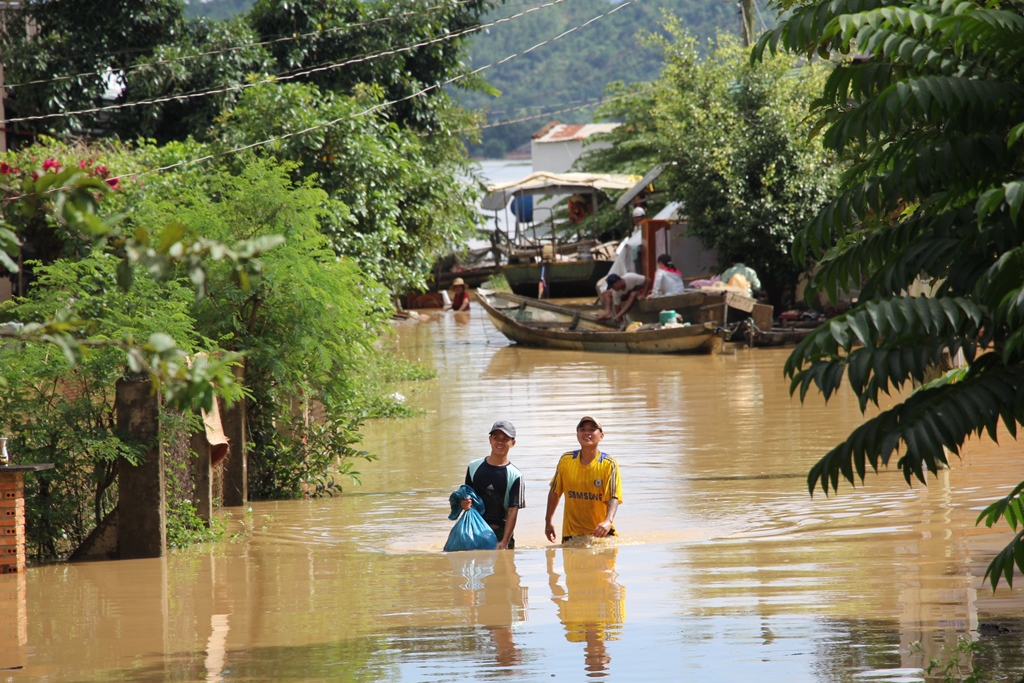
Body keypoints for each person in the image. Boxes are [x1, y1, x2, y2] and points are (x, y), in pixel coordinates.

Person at [545, 416, 622, 543]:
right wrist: (548, 521)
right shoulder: (566, 460)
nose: (587, 433)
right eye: (583, 429)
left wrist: (608, 521)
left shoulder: (609, 464)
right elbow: (555, 491)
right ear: (577, 434)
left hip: (602, 534)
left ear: (601, 436)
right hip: (572, 535)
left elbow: (614, 496)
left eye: (592, 429)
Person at [462, 420, 524, 549]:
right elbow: (466, 496)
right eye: (496, 438)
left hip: (500, 534)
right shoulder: (474, 466)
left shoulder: (515, 475)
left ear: (513, 443)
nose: (500, 442)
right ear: (490, 439)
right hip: (474, 530)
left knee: (505, 569)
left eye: (505, 439)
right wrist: (464, 503)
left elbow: (513, 510)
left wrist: (505, 541)